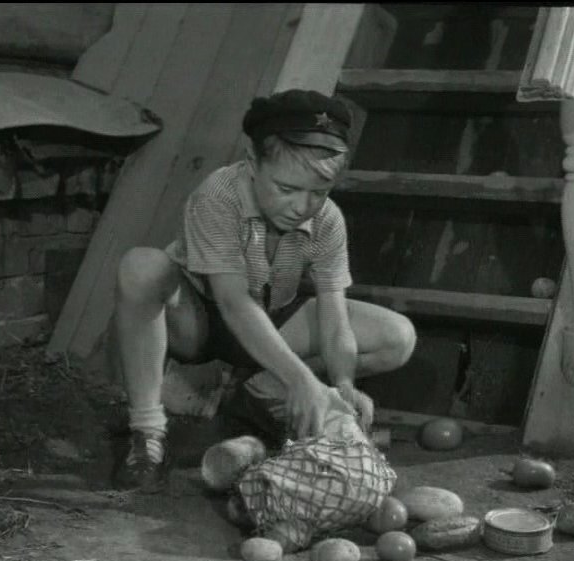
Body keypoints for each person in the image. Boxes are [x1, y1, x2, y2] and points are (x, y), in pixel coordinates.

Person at [111, 89, 417, 492]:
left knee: (398, 337)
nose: (301, 206)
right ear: (253, 162)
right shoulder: (219, 195)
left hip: (272, 321)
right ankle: (147, 435)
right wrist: (302, 380)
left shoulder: (327, 220)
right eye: (286, 189)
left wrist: (343, 383)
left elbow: (335, 318)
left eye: (318, 192)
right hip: (201, 322)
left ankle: (258, 393)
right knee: (141, 267)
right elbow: (233, 302)